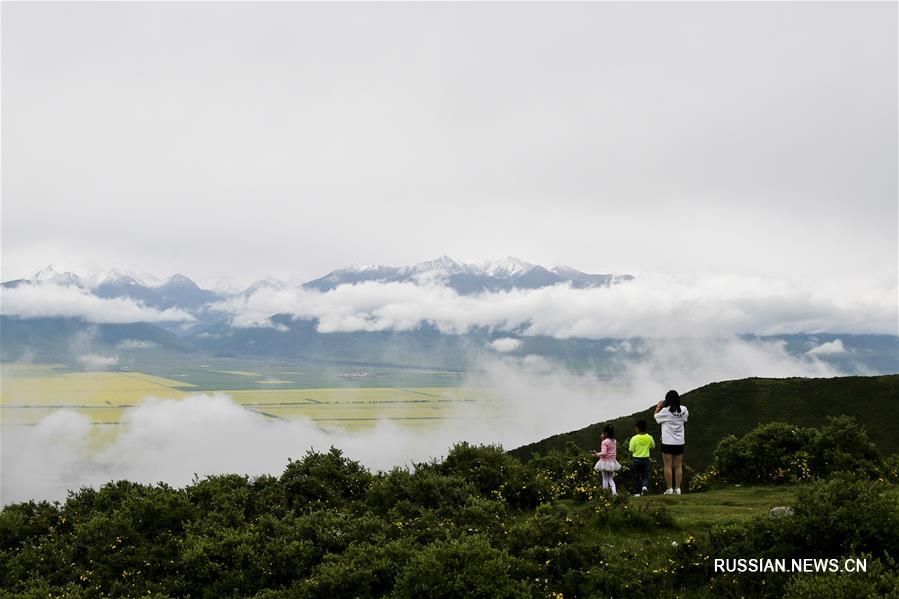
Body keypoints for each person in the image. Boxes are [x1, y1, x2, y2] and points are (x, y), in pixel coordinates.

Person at [654, 389, 689, 495]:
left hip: (667, 442)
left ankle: (669, 489)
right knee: (678, 466)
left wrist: (658, 407)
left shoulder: (665, 411)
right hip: (679, 442)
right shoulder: (683, 410)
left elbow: (656, 417)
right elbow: (685, 418)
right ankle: (678, 489)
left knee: (667, 465)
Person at [592, 424, 621, 495]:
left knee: (605, 478)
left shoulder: (604, 442)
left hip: (604, 462)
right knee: (611, 479)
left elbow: (604, 453)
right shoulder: (614, 441)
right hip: (612, 463)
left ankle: (605, 493)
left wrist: (597, 454)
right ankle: (614, 492)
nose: (601, 434)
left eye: (602, 433)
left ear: (606, 433)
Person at [628, 419, 655, 496]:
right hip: (645, 459)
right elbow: (653, 446)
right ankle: (644, 487)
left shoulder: (634, 438)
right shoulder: (649, 437)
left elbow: (631, 449)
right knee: (645, 476)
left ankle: (637, 492)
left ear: (637, 428)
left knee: (636, 476)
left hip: (636, 459)